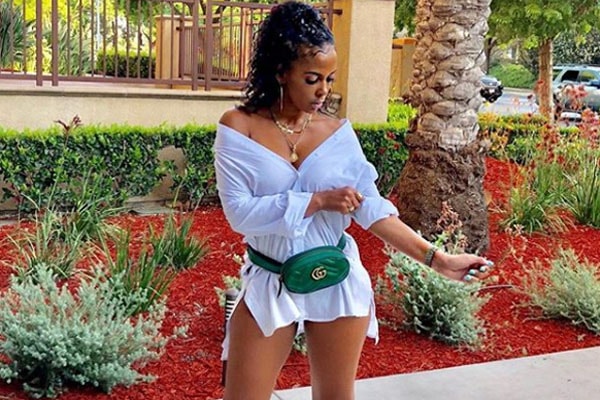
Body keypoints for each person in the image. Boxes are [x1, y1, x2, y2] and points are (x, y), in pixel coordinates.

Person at [213, 2, 493, 399]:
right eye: (312, 79)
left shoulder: (338, 133)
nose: (324, 91)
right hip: (270, 281)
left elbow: (372, 208)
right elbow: (240, 214)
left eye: (329, 79)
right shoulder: (240, 127)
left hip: (336, 276)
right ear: (280, 71)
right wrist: (317, 200)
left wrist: (438, 259)